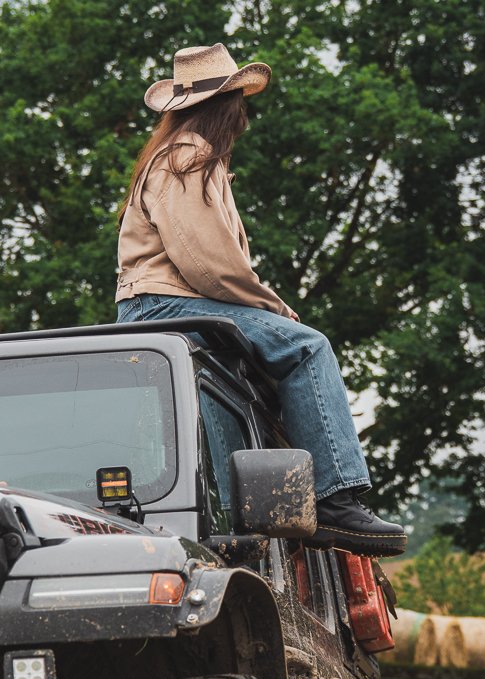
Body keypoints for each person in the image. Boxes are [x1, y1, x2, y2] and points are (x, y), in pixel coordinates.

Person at [115, 43, 406, 558]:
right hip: (164, 305)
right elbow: (208, 264)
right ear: (224, 106)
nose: (244, 114)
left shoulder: (185, 157)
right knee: (306, 347)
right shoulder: (188, 157)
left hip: (165, 306)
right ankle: (335, 498)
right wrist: (269, 305)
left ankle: (238, 524)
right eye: (239, 103)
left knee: (236, 393)